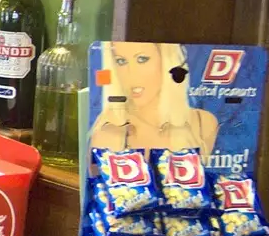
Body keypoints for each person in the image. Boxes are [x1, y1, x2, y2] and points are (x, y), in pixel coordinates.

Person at [88, 41, 220, 156]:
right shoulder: (109, 133)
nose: (131, 74)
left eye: (142, 59)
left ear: (166, 60)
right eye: (121, 61)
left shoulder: (203, 124)